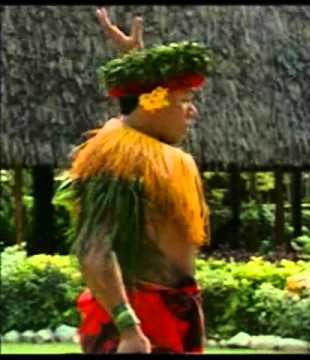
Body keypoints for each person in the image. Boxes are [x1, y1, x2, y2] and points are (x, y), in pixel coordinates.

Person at [69, 7, 212, 354]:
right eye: (185, 100)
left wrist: (135, 59)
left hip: (170, 308)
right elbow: (93, 251)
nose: (192, 111)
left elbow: (142, 102)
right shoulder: (118, 159)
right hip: (142, 317)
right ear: (153, 105)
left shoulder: (149, 153)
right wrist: (129, 328)